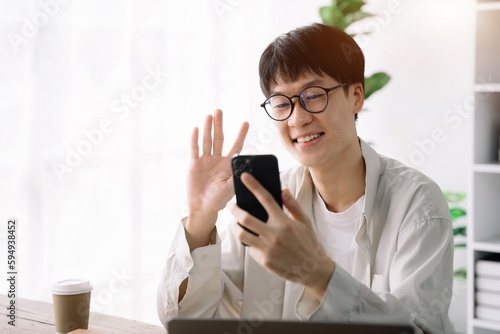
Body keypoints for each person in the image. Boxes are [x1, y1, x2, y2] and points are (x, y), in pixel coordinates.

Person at [157, 23, 454, 334]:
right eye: (282, 103)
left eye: (313, 95)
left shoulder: (417, 204)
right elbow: (189, 320)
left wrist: (318, 274)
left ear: (355, 96)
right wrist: (200, 219)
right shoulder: (270, 200)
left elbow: (420, 329)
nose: (298, 118)